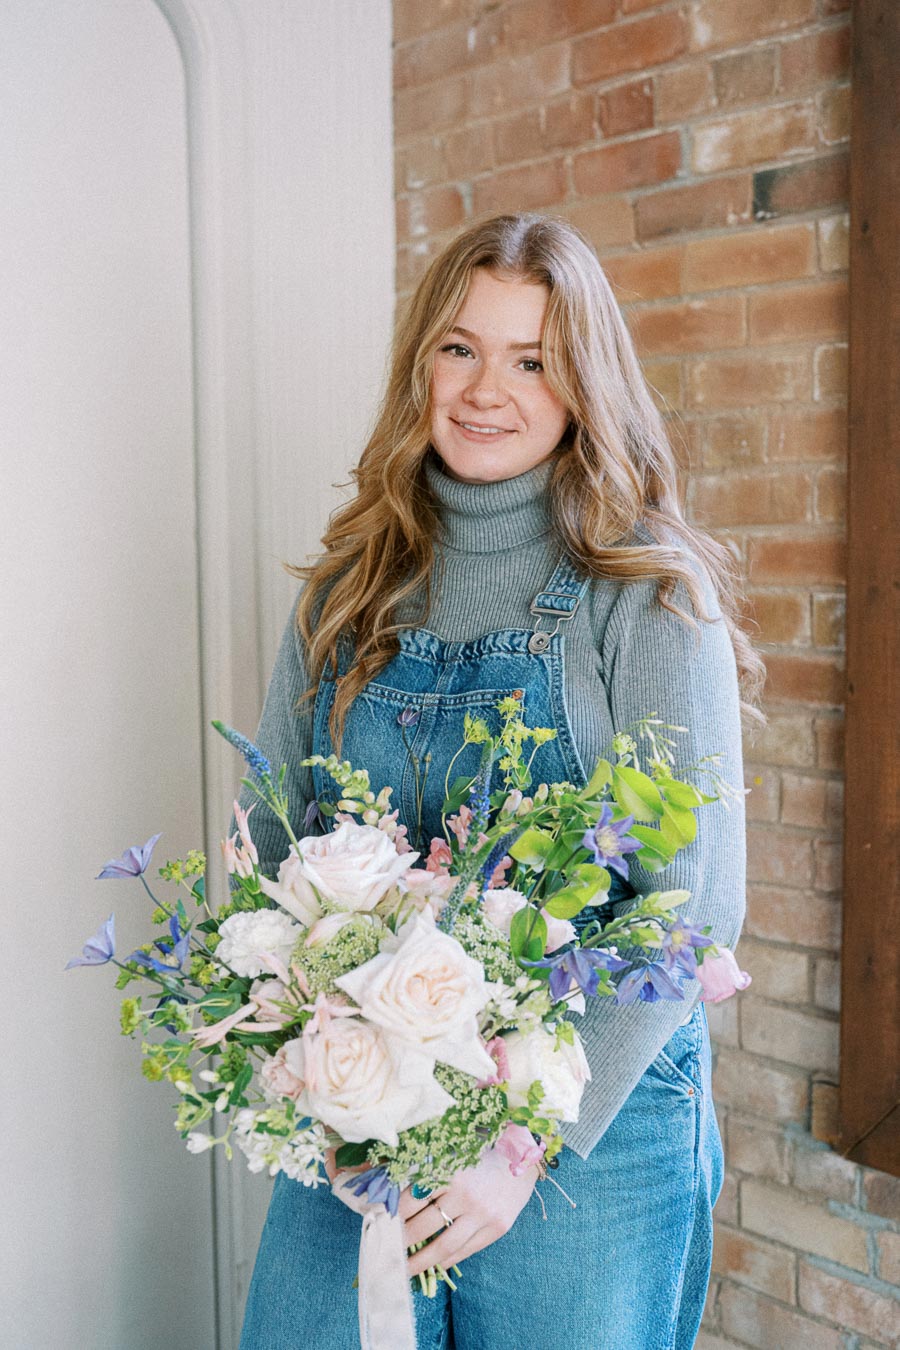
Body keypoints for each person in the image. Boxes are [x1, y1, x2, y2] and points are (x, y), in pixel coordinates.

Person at [236, 212, 762, 1350]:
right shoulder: (347, 591)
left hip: (592, 1135)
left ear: (586, 386)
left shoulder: (649, 595)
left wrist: (520, 1146)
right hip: (369, 1109)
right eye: (460, 348)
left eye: (534, 360)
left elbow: (695, 904)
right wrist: (319, 1068)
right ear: (421, 361)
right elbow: (270, 850)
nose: (487, 389)